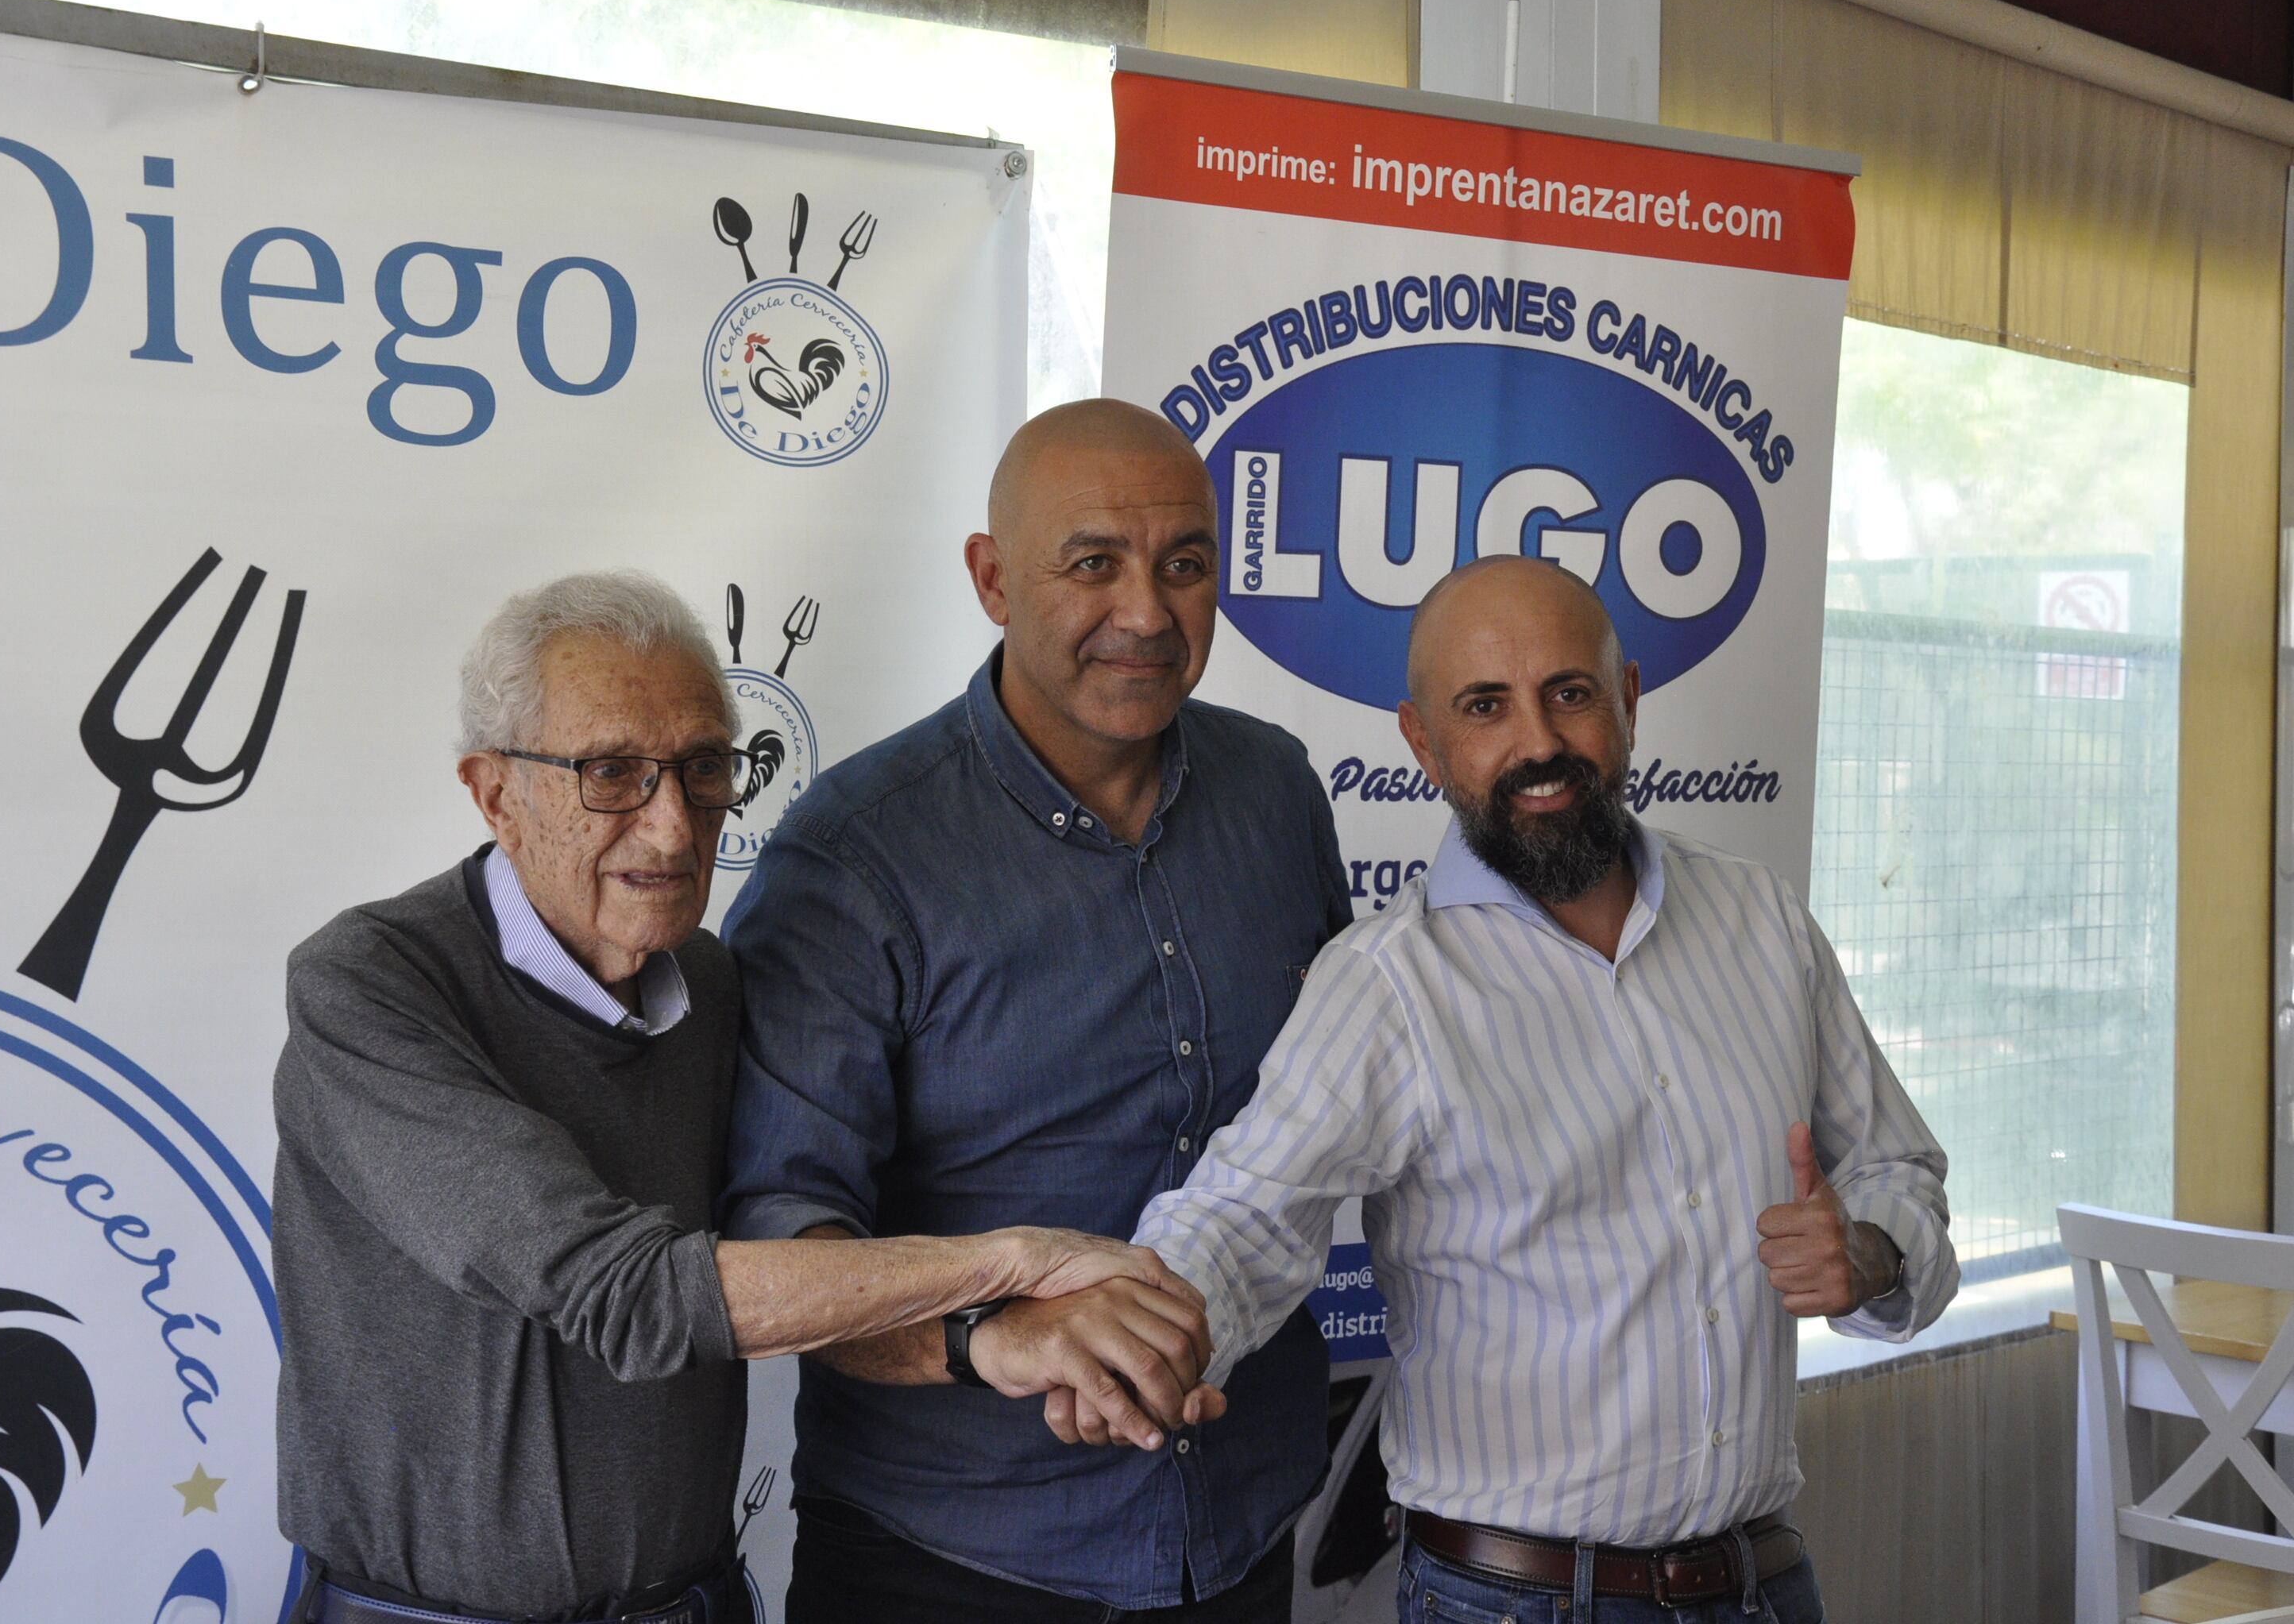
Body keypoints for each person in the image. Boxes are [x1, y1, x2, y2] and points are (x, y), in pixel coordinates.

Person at [272, 571, 1201, 1624]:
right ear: (496, 793)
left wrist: (990, 1338)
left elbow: (790, 1263)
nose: (674, 828)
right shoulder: (372, 985)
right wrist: (1013, 1262)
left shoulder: (710, 984)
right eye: (612, 774)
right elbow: (624, 1292)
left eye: (703, 768)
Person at [1132, 556, 1960, 1624]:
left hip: (1763, 1582)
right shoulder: (1390, 986)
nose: (1537, 743)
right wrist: (1139, 1338)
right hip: (1513, 1602)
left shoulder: (1763, 921)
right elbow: (1241, 1217)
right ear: (1424, 743)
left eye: (1569, 693)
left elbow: (1898, 1167)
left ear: (1627, 701)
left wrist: (1872, 1252)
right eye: (1485, 707)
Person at [722, 399, 1352, 1623]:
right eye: (1093, 563)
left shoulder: (1275, 789)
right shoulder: (854, 857)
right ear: (993, 579)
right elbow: (778, 1256)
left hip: (1241, 1529)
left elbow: (1342, 1109)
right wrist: (994, 1332)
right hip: (950, 1565)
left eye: (1185, 564)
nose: (1148, 613)